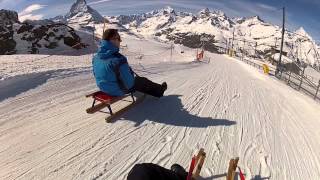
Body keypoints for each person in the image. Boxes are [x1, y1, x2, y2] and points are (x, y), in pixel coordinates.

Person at [92, 29, 167, 98]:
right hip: (117, 90)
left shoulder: (96, 57)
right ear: (112, 40)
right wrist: (131, 75)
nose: (120, 41)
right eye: (118, 38)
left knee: (135, 80)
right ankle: (160, 91)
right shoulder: (119, 60)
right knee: (142, 81)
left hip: (103, 87)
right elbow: (129, 84)